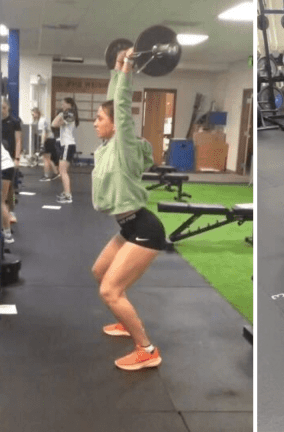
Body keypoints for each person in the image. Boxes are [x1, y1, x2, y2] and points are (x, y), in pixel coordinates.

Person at [91, 47, 165, 371]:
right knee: (100, 273)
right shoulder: (108, 146)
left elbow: (120, 107)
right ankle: (124, 318)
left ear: (114, 126)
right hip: (128, 227)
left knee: (110, 290)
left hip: (145, 229)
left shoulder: (122, 146)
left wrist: (129, 67)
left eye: (98, 119)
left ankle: (146, 349)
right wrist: (117, 67)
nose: (95, 123)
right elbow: (112, 104)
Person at [51, 97, 79, 203]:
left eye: (63, 104)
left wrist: (60, 114)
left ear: (69, 105)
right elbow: (55, 124)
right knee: (62, 171)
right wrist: (61, 114)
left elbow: (54, 124)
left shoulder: (69, 115)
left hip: (68, 145)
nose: (62, 106)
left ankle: (68, 196)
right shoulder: (68, 115)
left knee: (62, 171)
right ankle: (66, 192)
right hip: (67, 145)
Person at [2, 99, 22, 222]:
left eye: (4, 107)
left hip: (10, 159)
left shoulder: (14, 122)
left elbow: (18, 140)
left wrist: (17, 158)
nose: (2, 110)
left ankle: (11, 211)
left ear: (8, 108)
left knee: (10, 190)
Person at [32, 107, 60, 181]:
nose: (33, 115)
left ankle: (47, 176)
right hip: (50, 139)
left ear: (37, 113)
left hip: (48, 140)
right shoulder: (40, 120)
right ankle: (56, 173)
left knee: (46, 159)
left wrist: (42, 145)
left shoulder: (41, 121)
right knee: (49, 159)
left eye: (34, 114)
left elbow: (44, 133)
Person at [1, 143, 14, 243]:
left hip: (3, 168)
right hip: (8, 166)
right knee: (2, 201)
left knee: (1, 202)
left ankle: (7, 234)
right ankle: (7, 233)